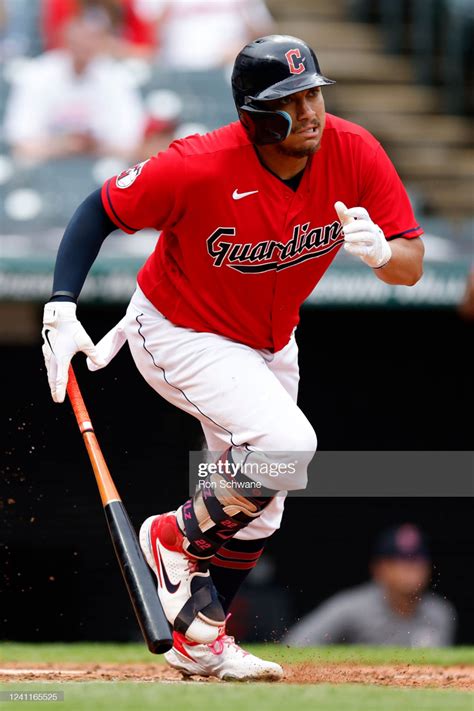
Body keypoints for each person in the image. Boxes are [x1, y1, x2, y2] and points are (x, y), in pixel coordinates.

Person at [41, 35, 424, 681]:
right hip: (179, 330)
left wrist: (385, 256)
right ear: (251, 113)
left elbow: (410, 265)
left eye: (313, 95)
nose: (309, 112)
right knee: (287, 442)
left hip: (270, 339)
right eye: (290, 100)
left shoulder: (353, 150)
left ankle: (204, 640)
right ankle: (173, 537)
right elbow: (97, 210)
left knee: (266, 495)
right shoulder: (199, 163)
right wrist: (60, 305)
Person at [284, 524, 456, 647]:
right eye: (399, 560)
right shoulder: (352, 607)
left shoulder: (439, 613)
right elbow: (295, 644)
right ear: (379, 569)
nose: (411, 568)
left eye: (417, 560)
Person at [4, 14, 146, 162]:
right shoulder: (38, 74)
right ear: (65, 40)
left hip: (101, 166)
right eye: (78, 40)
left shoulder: (116, 77)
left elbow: (131, 142)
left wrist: (90, 145)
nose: (84, 46)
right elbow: (20, 139)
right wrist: (63, 145)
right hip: (47, 166)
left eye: (91, 39)